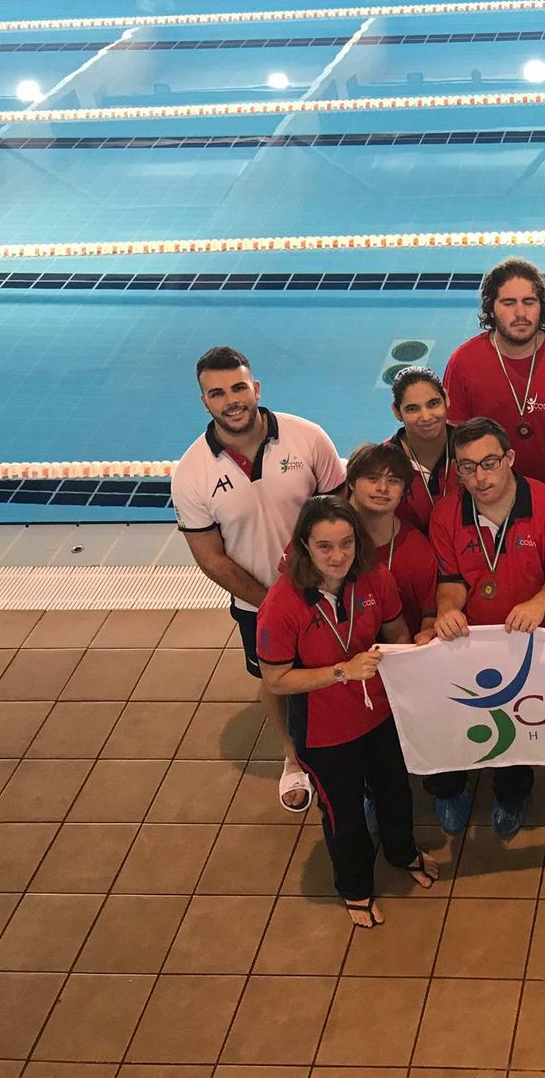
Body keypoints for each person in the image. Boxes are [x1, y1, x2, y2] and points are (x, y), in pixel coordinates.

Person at [171, 345, 346, 815]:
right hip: (258, 604)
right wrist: (274, 604)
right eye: (217, 393)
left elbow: (342, 512)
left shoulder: (306, 438)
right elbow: (211, 558)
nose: (231, 400)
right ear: (204, 401)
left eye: (238, 387)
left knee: (341, 667)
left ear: (256, 389)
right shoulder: (192, 473)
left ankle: (352, 743)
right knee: (275, 680)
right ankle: (292, 755)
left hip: (330, 591)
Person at [256, 496, 436, 928]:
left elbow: (397, 634)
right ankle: (355, 888)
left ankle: (401, 852)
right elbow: (275, 680)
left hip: (380, 716)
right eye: (325, 546)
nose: (338, 556)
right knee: (345, 813)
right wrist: (342, 672)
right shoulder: (282, 604)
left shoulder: (374, 578)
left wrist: (420, 650)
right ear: (304, 545)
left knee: (395, 791)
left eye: (346, 543)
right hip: (326, 732)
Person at [423, 417, 545, 837]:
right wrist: (448, 609)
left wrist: (539, 602)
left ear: (510, 458)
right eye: (468, 468)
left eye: (490, 463)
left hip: (543, 639)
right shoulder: (446, 515)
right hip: (483, 645)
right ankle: (512, 793)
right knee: (503, 720)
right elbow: (451, 580)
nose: (480, 478)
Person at [442, 257, 545, 511]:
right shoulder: (464, 363)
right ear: (491, 308)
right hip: (493, 504)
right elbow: (456, 442)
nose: (520, 313)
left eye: (529, 302)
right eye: (508, 303)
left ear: (541, 306)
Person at [344, 442, 438, 635]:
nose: (382, 488)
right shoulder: (320, 531)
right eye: (372, 478)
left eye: (393, 481)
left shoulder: (416, 549)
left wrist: (426, 637)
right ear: (351, 482)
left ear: (404, 490)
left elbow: (430, 615)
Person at [385, 366, 454, 535]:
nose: (426, 417)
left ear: (446, 399)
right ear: (397, 412)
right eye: (412, 409)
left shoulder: (472, 448)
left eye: (433, 404)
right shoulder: (382, 463)